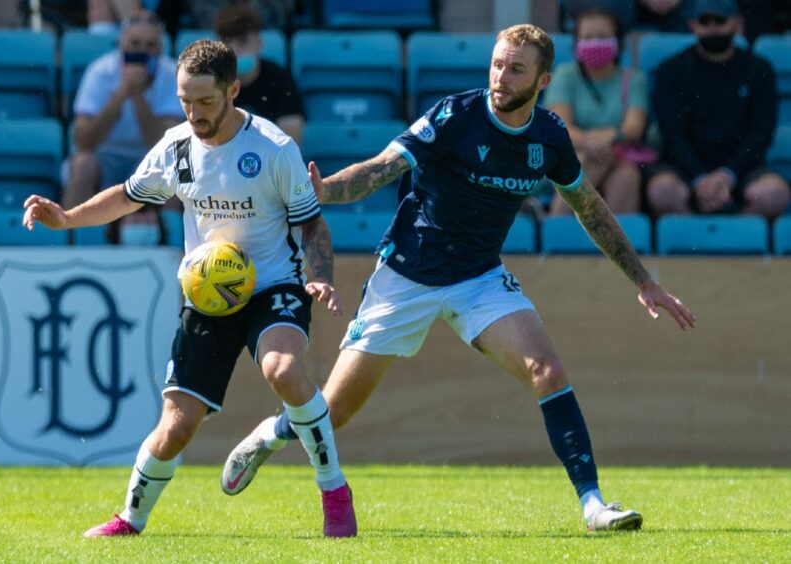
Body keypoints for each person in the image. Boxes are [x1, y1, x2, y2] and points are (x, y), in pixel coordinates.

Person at [220, 23, 697, 533]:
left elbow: (590, 209)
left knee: (548, 371)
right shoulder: (455, 116)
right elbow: (381, 168)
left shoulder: (550, 137)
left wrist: (643, 281)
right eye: (497, 64)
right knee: (333, 415)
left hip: (479, 278)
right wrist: (326, 190)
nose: (501, 77)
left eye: (516, 69)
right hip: (406, 274)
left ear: (542, 81)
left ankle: (593, 506)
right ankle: (271, 434)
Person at [23, 39, 357, 538]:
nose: (193, 112)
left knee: (283, 369)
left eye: (204, 101)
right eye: (185, 100)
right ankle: (130, 519)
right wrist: (69, 217)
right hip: (208, 294)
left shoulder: (273, 149)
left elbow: (312, 224)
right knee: (177, 425)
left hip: (274, 284)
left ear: (233, 90)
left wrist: (320, 276)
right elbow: (130, 196)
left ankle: (334, 491)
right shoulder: (176, 146)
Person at [647, 0, 790, 219]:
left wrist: (727, 175)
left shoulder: (759, 69)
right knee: (662, 191)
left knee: (774, 194)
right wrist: (700, 178)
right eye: (705, 21)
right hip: (685, 169)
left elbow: (761, 133)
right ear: (693, 25)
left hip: (742, 168)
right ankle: (694, 240)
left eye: (720, 20)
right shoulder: (672, 69)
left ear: (738, 23)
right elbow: (672, 134)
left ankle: (738, 239)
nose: (712, 27)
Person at [63, 11, 184, 210]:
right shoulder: (99, 72)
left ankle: (171, 237)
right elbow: (83, 141)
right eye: (135, 44)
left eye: (150, 45)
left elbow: (166, 146)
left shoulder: (173, 74)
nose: (142, 52)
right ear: (122, 45)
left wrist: (137, 97)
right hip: (105, 155)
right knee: (82, 164)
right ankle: (72, 236)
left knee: (173, 167)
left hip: (148, 157)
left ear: (160, 49)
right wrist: (121, 93)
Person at [544, 7, 648, 215]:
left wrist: (608, 137)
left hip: (620, 157)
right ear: (576, 43)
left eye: (602, 37)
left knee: (628, 176)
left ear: (618, 42)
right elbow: (560, 127)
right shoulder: (565, 75)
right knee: (592, 159)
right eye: (588, 37)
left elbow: (634, 127)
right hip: (574, 156)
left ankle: (614, 245)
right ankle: (559, 230)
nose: (595, 43)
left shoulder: (634, 79)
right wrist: (592, 142)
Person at [214, 4, 305, 145]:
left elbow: (292, 140)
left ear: (259, 42)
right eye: (227, 42)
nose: (234, 50)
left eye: (242, 41)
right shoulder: (210, 82)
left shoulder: (280, 79)